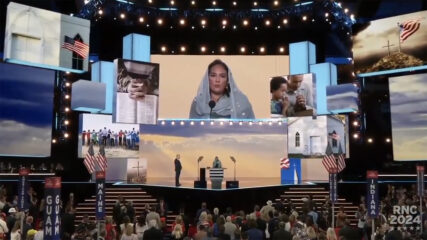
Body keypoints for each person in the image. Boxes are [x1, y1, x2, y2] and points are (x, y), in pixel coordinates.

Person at [189, 59, 255, 119]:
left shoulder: (240, 101)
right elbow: (190, 130)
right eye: (213, 75)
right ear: (207, 79)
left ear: (228, 81)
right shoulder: (198, 102)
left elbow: (252, 129)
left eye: (222, 76)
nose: (217, 80)